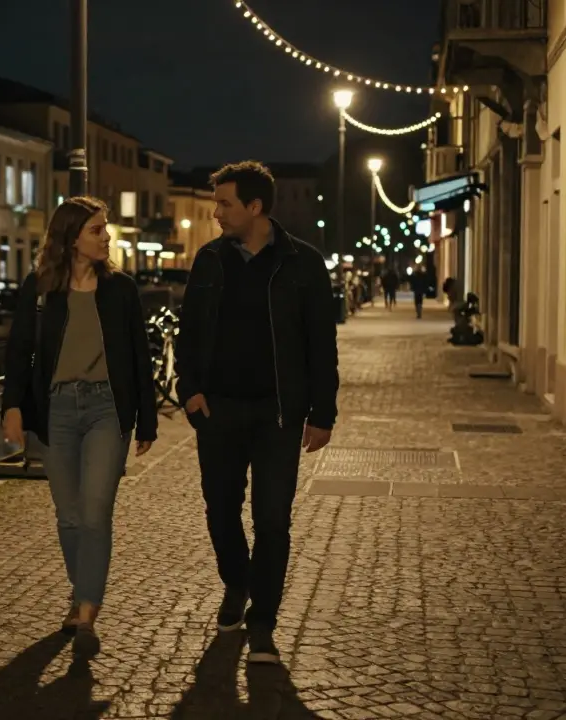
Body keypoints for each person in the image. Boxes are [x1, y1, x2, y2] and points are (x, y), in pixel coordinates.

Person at [174, 161, 339, 666]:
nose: (215, 212)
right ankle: (238, 581)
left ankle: (263, 622)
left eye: (225, 203)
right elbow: (189, 332)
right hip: (218, 409)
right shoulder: (209, 260)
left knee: (272, 519)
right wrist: (190, 389)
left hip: (279, 415)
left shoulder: (303, 264)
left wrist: (322, 412)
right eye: (215, 202)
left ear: (255, 206)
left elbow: (320, 343)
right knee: (220, 511)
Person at [1, 196, 157, 658]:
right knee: (68, 516)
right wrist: (12, 406)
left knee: (94, 512)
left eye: (104, 228)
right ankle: (81, 590)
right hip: (56, 410)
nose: (106, 237)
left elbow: (139, 359)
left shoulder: (122, 290)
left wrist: (146, 419)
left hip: (107, 408)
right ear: (71, 238)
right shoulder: (40, 289)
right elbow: (19, 352)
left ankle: (87, 608)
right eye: (96, 230)